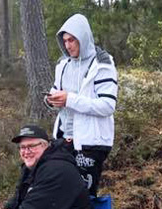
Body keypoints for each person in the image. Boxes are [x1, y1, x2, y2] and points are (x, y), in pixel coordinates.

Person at [45, 13, 118, 196]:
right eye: (65, 41)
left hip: (91, 142)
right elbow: (56, 91)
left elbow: (107, 105)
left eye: (72, 40)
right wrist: (51, 100)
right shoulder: (63, 65)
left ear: (83, 38)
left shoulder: (102, 64)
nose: (67, 45)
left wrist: (69, 99)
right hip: (63, 139)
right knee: (57, 190)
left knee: (83, 196)